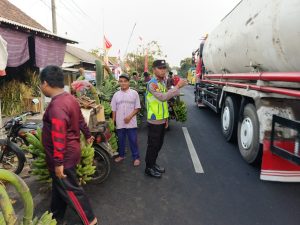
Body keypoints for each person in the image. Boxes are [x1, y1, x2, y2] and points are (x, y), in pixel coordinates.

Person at [39, 65, 97, 225]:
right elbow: (79, 120)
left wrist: (58, 162)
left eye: (40, 84)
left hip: (63, 157)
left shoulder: (57, 105)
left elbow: (58, 136)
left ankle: (91, 220)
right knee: (60, 188)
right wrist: (87, 134)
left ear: (45, 83)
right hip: (70, 151)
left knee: (71, 190)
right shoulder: (69, 98)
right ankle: (55, 217)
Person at [145, 60, 187, 178]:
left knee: (159, 144)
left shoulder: (162, 82)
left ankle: (153, 164)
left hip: (162, 119)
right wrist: (178, 86)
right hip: (154, 121)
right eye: (160, 68)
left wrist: (166, 118)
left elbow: (165, 103)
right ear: (154, 69)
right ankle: (148, 167)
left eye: (164, 68)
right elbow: (163, 98)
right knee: (153, 145)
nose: (163, 70)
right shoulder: (152, 84)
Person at [111, 74, 141, 166]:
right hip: (120, 123)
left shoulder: (134, 93)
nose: (123, 83)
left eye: (125, 81)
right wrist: (113, 122)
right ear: (119, 82)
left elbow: (137, 108)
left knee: (133, 140)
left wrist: (129, 117)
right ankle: (121, 155)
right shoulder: (116, 95)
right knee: (121, 140)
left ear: (128, 82)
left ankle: (136, 157)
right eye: (121, 81)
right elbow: (113, 109)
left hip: (131, 122)